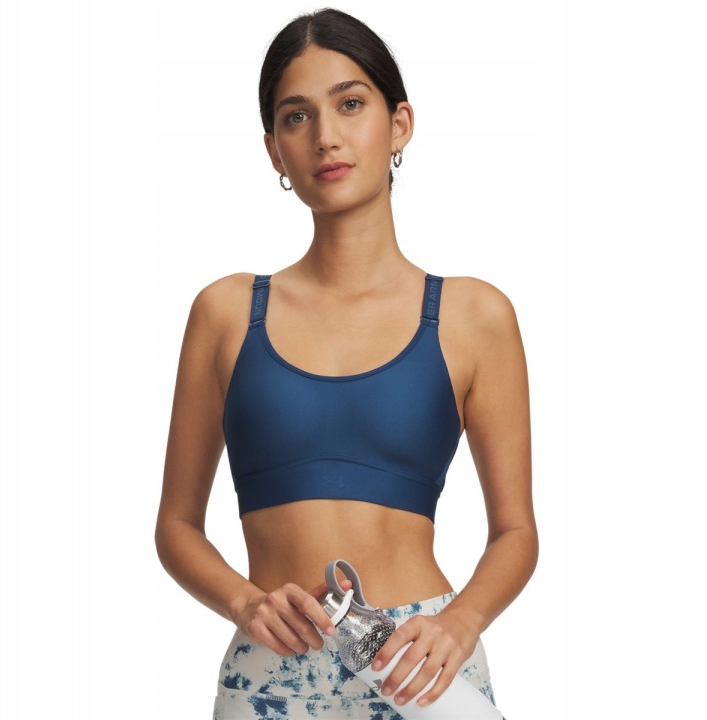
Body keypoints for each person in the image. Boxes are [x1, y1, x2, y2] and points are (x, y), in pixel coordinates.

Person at [155, 8, 538, 719]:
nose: (325, 136)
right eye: (296, 117)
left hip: (421, 665)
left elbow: (516, 533)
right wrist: (243, 601)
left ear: (400, 124)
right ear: (274, 151)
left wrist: (460, 623)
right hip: (270, 670)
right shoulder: (226, 313)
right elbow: (176, 525)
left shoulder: (475, 316)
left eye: (351, 104)